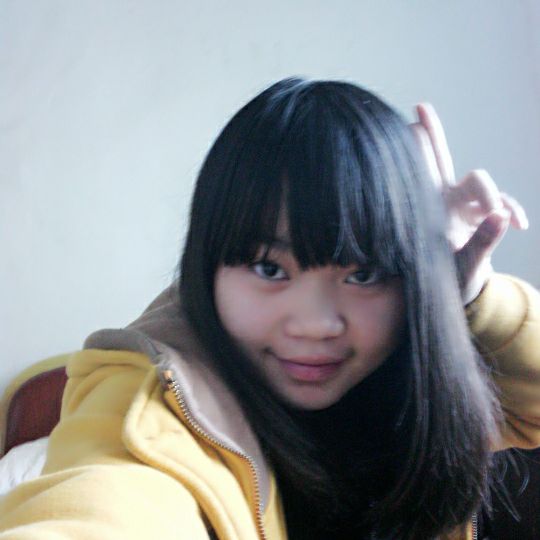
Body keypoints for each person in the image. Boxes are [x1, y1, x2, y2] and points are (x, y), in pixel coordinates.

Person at [0, 78, 538, 540]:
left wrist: (465, 295)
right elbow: (106, 500)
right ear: (208, 265)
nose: (315, 325)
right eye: (269, 268)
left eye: (363, 274)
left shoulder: (408, 361)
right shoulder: (146, 406)